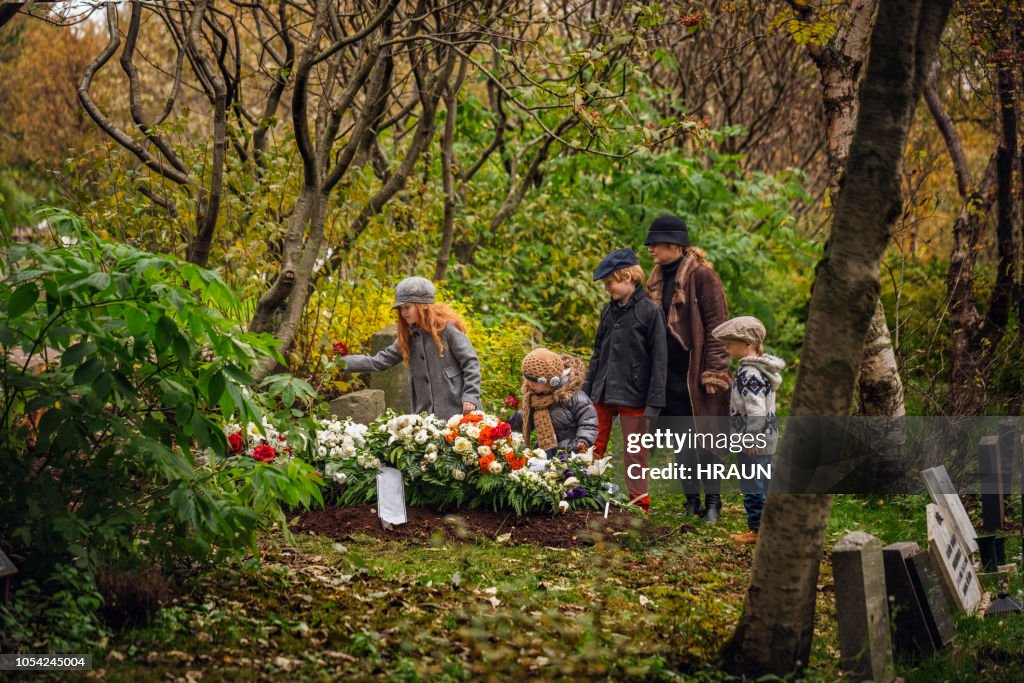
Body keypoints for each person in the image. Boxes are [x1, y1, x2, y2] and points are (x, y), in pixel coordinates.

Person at [644, 215, 732, 523]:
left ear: (674, 244)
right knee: (679, 438)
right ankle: (691, 500)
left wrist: (715, 371)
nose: (651, 249)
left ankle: (714, 503)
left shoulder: (703, 276)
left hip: (696, 375)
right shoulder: (655, 278)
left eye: (655, 244)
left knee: (705, 440)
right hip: (668, 375)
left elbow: (719, 327)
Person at [583, 248, 667, 512]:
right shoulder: (608, 312)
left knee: (634, 450)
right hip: (602, 392)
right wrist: (586, 391)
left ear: (629, 276)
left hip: (635, 394)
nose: (607, 288)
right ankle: (582, 493)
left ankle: (639, 503)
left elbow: (659, 362)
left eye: (610, 283)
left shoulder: (650, 312)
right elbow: (598, 353)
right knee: (591, 443)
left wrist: (654, 405)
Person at [343, 277, 481, 420]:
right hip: (426, 418)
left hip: (459, 410)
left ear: (424, 305)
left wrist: (471, 396)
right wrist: (341, 363)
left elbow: (471, 362)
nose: (403, 312)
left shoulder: (447, 329)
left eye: (407, 307)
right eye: (401, 308)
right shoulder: (407, 338)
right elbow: (378, 361)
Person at [711, 316, 785, 544]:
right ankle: (776, 525)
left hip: (753, 440)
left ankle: (757, 529)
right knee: (767, 481)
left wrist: (751, 439)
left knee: (752, 484)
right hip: (767, 437)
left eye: (730, 343)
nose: (726, 348)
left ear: (748, 345)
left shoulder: (749, 374)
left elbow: (756, 409)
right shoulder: (760, 369)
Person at [508, 348, 598, 454]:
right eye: (528, 380)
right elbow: (528, 420)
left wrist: (583, 440)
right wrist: (511, 420)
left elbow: (588, 421)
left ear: (552, 381)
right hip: (544, 451)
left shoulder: (573, 396)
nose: (530, 385)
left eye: (535, 382)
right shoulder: (535, 398)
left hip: (571, 451)